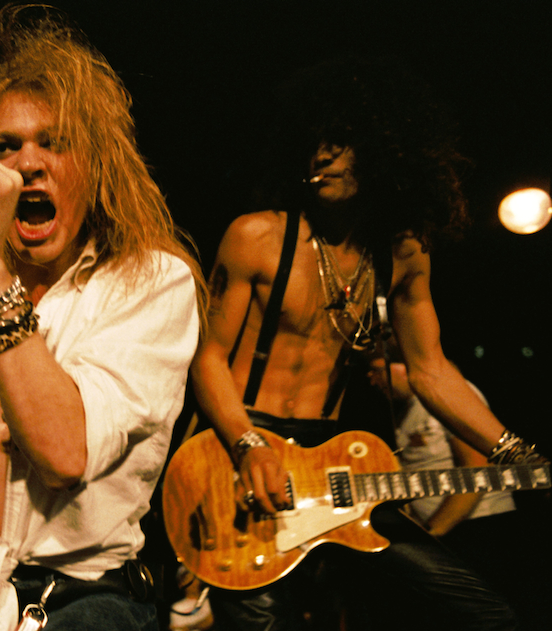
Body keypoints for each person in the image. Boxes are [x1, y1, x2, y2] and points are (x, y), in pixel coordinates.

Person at [0, 6, 204, 631]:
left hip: (80, 604)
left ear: (97, 167)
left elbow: (64, 452)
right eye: (6, 146)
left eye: (56, 142)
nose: (28, 164)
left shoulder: (151, 285)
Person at [190, 56, 544, 630]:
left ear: (386, 151)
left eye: (343, 142)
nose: (322, 155)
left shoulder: (403, 253)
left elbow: (431, 371)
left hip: (333, 462)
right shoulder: (256, 236)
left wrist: (516, 453)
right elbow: (207, 357)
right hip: (240, 451)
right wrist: (247, 442)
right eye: (316, 140)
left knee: (487, 614)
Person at [366, 352, 516, 538]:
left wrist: (433, 531)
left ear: (406, 363)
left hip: (478, 526)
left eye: (376, 371)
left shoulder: (447, 396)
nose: (372, 381)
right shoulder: (410, 410)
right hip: (450, 530)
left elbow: (477, 466)